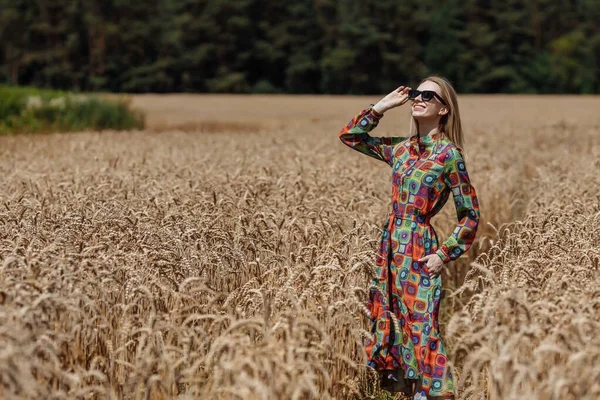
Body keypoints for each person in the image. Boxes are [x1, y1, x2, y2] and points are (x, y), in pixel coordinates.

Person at [338, 76, 481, 400]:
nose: (419, 98)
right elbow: (351, 136)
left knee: (424, 331)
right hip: (388, 250)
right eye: (416, 93)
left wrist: (444, 254)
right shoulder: (401, 150)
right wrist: (381, 107)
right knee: (395, 326)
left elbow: (470, 214)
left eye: (428, 96)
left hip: (419, 250)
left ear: (444, 109)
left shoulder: (449, 156)